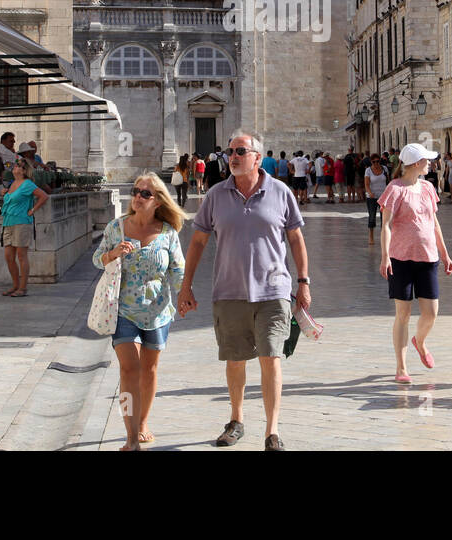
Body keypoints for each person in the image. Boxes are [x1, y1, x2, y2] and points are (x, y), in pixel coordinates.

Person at [179, 131, 311, 452]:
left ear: (256, 156)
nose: (233, 156)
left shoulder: (280, 192)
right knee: (236, 360)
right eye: (230, 151)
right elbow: (197, 241)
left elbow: (295, 239)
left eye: (240, 151)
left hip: (273, 291)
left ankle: (272, 431)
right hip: (229, 290)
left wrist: (303, 282)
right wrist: (186, 285)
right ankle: (236, 420)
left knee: (271, 357)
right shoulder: (215, 195)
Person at [93, 172, 186, 450]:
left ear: (158, 200)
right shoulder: (116, 228)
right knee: (128, 369)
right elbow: (98, 259)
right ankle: (131, 436)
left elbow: (177, 269)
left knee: (150, 370)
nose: (138, 196)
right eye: (136, 191)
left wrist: (185, 294)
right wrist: (112, 254)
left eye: (145, 193)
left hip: (157, 310)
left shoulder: (168, 233)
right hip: (123, 309)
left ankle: (143, 422)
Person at [379, 142, 452, 383]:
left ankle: (420, 341)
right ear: (415, 164)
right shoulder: (395, 189)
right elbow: (387, 225)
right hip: (400, 259)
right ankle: (401, 367)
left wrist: (445, 253)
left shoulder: (429, 188)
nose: (430, 163)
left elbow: (434, 223)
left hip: (428, 257)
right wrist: (385, 256)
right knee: (403, 314)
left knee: (431, 313)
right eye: (426, 160)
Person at [1, 157, 48, 298]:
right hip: (8, 222)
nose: (15, 167)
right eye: (15, 165)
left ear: (23, 170)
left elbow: (43, 196)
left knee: (21, 256)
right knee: (9, 256)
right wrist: (5, 193)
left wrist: (32, 210)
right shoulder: (13, 183)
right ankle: (15, 285)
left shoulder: (27, 184)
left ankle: (22, 287)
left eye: (18, 166)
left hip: (22, 222)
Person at [364, 154, 391, 246]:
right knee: (372, 217)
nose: (376, 163)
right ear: (371, 162)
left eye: (377, 161)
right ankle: (371, 236)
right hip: (372, 197)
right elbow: (367, 184)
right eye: (374, 162)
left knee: (384, 217)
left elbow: (388, 182)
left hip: (383, 197)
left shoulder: (384, 169)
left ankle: (384, 236)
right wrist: (370, 192)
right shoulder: (368, 171)